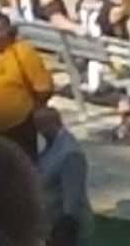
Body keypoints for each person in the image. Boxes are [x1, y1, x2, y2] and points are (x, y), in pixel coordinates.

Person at [0, 12, 53, 155]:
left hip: (16, 130)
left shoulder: (23, 52)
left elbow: (44, 89)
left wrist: (31, 114)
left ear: (8, 31)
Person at [35, 105, 91, 246]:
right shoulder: (50, 148)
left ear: (51, 124)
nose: (39, 132)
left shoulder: (70, 154)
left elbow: (73, 195)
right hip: (52, 223)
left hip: (68, 226)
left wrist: (66, 225)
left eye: (41, 127)